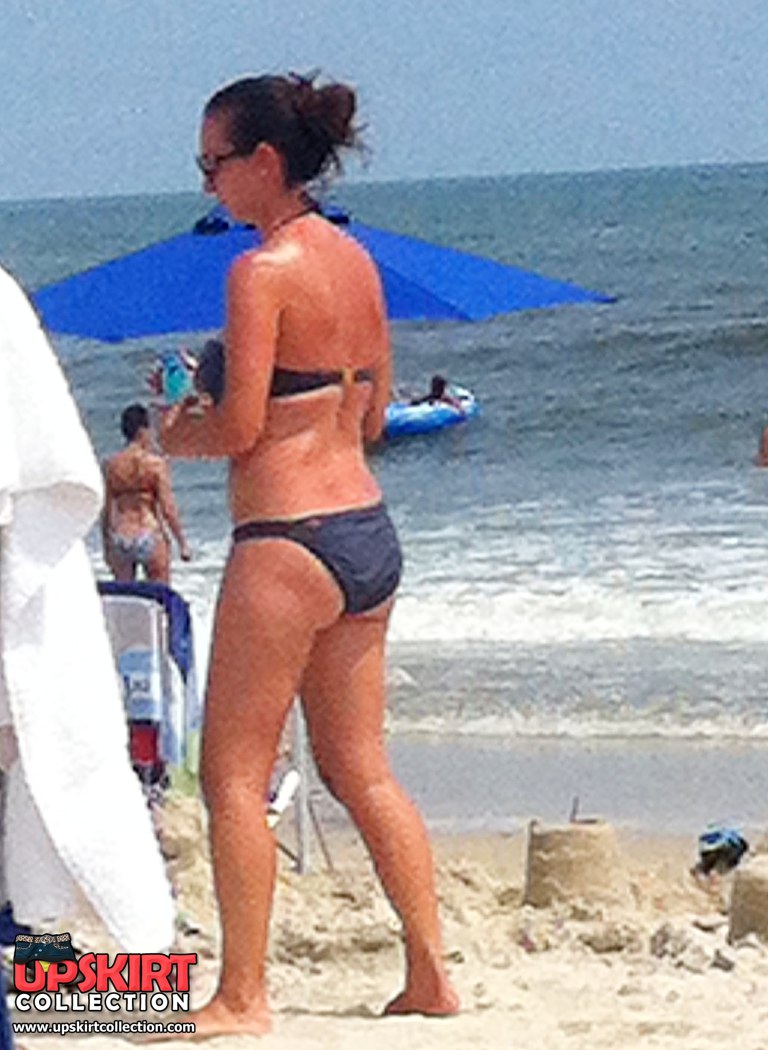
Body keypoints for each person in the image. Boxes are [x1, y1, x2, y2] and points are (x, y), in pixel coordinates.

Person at [158, 72, 459, 1036]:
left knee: (233, 775)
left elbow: (240, 429)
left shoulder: (261, 271)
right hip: (366, 530)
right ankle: (431, 972)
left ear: (265, 161)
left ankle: (243, 995)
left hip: (287, 539)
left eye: (213, 163)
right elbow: (371, 417)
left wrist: (175, 431)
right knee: (361, 768)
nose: (208, 183)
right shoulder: (357, 261)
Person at [102, 402, 191, 582]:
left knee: (126, 596)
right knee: (160, 594)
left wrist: (107, 544)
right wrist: (182, 543)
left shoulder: (112, 465)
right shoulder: (155, 464)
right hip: (148, 531)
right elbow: (168, 508)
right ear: (142, 430)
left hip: (122, 535)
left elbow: (107, 509)